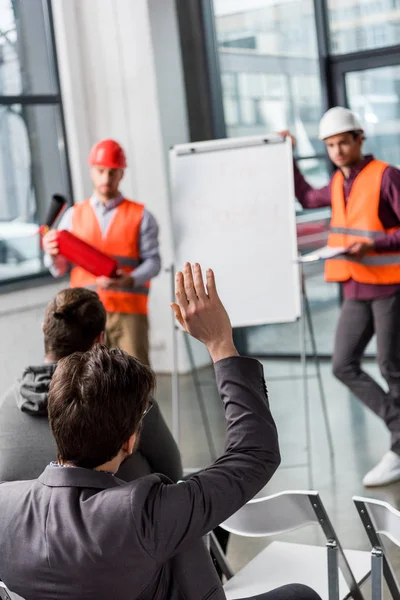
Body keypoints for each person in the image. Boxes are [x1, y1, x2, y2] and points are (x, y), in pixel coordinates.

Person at [0, 263, 320, 600]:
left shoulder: (5, 503)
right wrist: (220, 343)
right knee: (301, 594)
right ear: (130, 440)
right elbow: (255, 453)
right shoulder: (145, 514)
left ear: (55, 422)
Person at [281, 106, 400, 487]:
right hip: (355, 286)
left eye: (342, 142)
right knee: (343, 363)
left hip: (389, 286)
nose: (336, 150)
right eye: (329, 145)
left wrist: (375, 244)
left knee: (390, 366)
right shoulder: (336, 183)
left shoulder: (387, 176)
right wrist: (287, 156)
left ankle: (399, 448)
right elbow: (304, 195)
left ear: (359, 139)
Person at [0, 287, 182, 484]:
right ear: (100, 340)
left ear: (44, 328)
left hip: (23, 514)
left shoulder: (7, 403)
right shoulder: (128, 397)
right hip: (119, 511)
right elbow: (172, 472)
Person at [42, 139, 161, 365]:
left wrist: (128, 280)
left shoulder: (141, 216)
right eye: (101, 171)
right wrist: (51, 253)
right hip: (83, 316)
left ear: (122, 174)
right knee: (86, 381)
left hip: (128, 313)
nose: (106, 178)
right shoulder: (73, 215)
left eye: (113, 172)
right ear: (92, 172)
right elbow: (59, 269)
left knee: (134, 378)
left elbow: (153, 262)